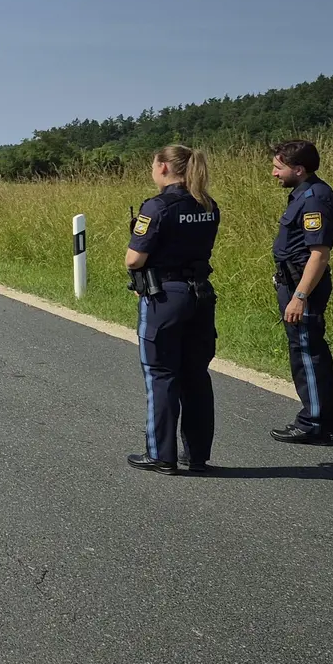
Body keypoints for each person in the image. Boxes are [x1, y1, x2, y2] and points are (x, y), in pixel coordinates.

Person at [124, 145, 221, 475]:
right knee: (196, 377)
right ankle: (197, 456)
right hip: (200, 295)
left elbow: (134, 259)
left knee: (161, 375)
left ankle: (160, 454)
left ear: (164, 167)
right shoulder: (208, 204)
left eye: (154, 164)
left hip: (165, 297)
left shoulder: (157, 206)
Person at [269, 140, 333, 444]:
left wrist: (299, 297)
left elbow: (319, 254)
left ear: (299, 169)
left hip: (303, 287)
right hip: (294, 281)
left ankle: (315, 422)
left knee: (307, 354)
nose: (274, 173)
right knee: (308, 350)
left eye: (279, 168)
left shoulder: (314, 199)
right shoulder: (303, 194)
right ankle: (327, 422)